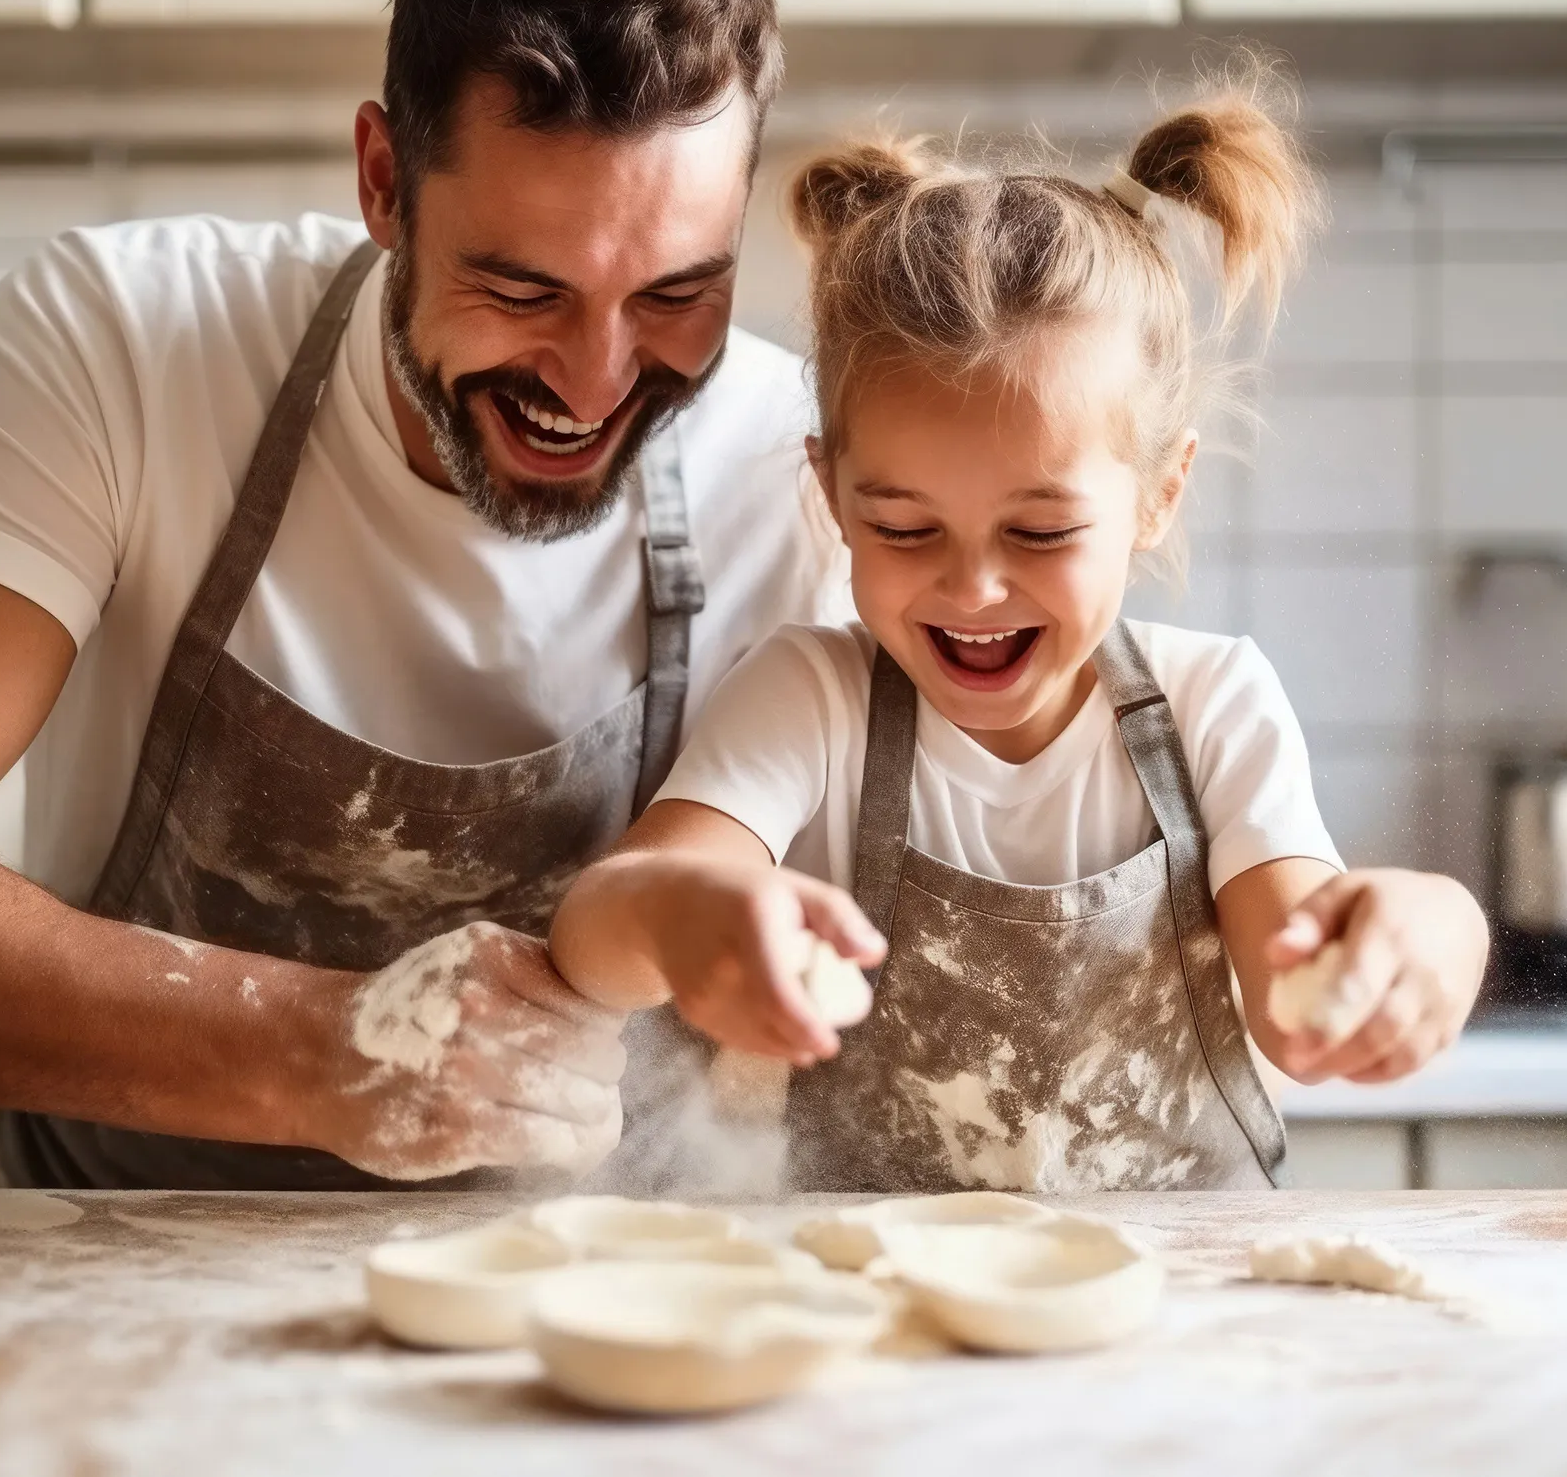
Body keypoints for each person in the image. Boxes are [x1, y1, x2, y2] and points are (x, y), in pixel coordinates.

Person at [0, 0, 843, 1189]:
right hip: (108, 1298)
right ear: (383, 184)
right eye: (523, 291)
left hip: (600, 1345)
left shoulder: (805, 468)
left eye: (675, 294)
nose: (595, 376)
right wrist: (321, 1048)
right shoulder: (128, 348)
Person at [548, 82, 1491, 1191]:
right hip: (883, 1311)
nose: (973, 583)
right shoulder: (813, 698)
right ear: (833, 493)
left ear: (1157, 494)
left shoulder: (1211, 707)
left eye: (1039, 529)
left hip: (1177, 1320)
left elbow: (1299, 1008)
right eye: (903, 527)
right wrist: (679, 910)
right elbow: (593, 936)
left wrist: (1438, 929)